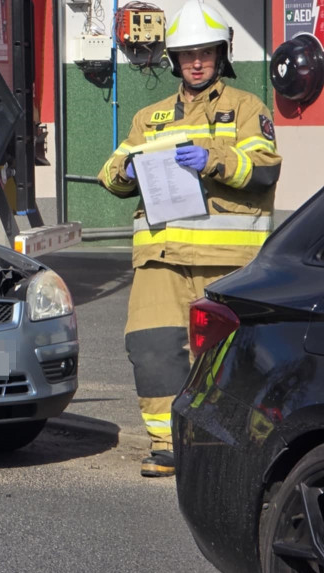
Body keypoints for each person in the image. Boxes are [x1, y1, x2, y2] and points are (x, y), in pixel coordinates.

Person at [98, 0, 281, 478]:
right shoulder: (148, 118)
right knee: (152, 347)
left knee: (226, 358)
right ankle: (168, 444)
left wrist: (214, 159)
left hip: (229, 264)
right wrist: (127, 169)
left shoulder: (246, 108)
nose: (195, 62)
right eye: (186, 54)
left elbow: (264, 168)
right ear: (173, 60)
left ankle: (226, 444)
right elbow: (110, 175)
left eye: (205, 52)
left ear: (222, 55)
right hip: (160, 257)